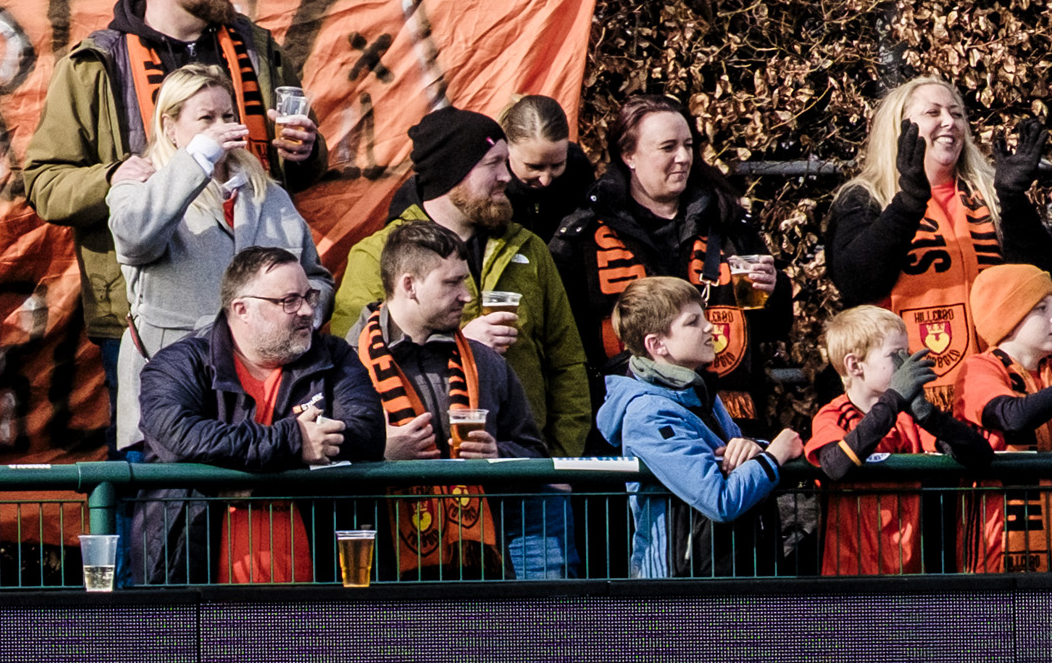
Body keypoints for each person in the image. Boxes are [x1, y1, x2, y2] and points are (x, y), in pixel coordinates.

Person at [23, 0, 325, 405]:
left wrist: (305, 152)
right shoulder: (95, 64)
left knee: (268, 449)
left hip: (264, 313)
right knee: (159, 459)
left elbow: (298, 172)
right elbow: (43, 184)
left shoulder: (257, 49)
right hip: (147, 313)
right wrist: (113, 177)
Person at [329, 107, 597, 457]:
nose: (507, 177)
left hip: (527, 473)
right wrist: (462, 345)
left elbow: (568, 365)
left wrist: (559, 464)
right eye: (493, 164)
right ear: (451, 172)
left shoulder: (529, 249)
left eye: (506, 163)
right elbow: (350, 366)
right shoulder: (377, 254)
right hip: (421, 483)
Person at [106, 61, 322, 451]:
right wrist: (198, 160)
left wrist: (300, 316)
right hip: (173, 394)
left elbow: (315, 277)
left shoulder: (268, 193)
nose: (220, 127)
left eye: (227, 115)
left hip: (265, 392)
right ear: (170, 126)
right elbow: (135, 238)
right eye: (205, 118)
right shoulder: (138, 182)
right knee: (167, 508)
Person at [130, 246, 366, 587]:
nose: (307, 311)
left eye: (309, 296)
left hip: (325, 594)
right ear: (242, 309)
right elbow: (179, 436)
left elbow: (364, 433)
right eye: (289, 300)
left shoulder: (335, 356)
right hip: (193, 592)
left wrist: (247, 476)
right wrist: (293, 442)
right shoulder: (177, 364)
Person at [551, 94, 786, 436]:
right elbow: (562, 345)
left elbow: (774, 328)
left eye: (688, 145)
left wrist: (774, 289)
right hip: (630, 431)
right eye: (668, 147)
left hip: (731, 431)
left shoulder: (728, 222)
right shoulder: (583, 236)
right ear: (628, 155)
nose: (683, 158)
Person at [347, 218, 552, 582]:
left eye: (464, 280)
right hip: (380, 575)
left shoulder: (486, 362)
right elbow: (322, 461)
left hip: (478, 576)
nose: (467, 296)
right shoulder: (347, 364)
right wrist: (379, 455)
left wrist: (498, 456)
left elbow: (534, 453)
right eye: (452, 282)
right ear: (409, 285)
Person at [824, 76, 1052, 366]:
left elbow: (1038, 281)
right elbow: (856, 282)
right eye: (933, 113)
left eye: (956, 114)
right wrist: (907, 205)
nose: (949, 122)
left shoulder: (990, 194)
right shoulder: (866, 197)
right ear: (899, 127)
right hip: (904, 385)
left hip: (999, 383)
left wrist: (1013, 200)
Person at [594, 276, 808, 579]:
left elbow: (740, 460)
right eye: (693, 322)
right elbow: (719, 499)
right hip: (678, 586)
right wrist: (774, 456)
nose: (710, 327)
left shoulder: (698, 390)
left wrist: (752, 446)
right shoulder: (648, 413)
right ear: (657, 344)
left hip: (724, 571)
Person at [804, 305, 986, 579]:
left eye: (908, 353)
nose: (907, 364)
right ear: (855, 365)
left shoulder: (906, 419)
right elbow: (835, 464)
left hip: (909, 575)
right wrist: (894, 397)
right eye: (895, 355)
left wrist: (929, 417)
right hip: (849, 576)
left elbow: (978, 455)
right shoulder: (834, 414)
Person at [946, 263, 1052, 575]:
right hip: (995, 546)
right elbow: (1012, 417)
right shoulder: (979, 367)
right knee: (994, 624)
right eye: (1042, 308)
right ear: (1009, 318)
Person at [501, 94, 596, 238]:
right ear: (507, 149)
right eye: (534, 167)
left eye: (557, 165)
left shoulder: (577, 167)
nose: (545, 180)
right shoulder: (490, 181)